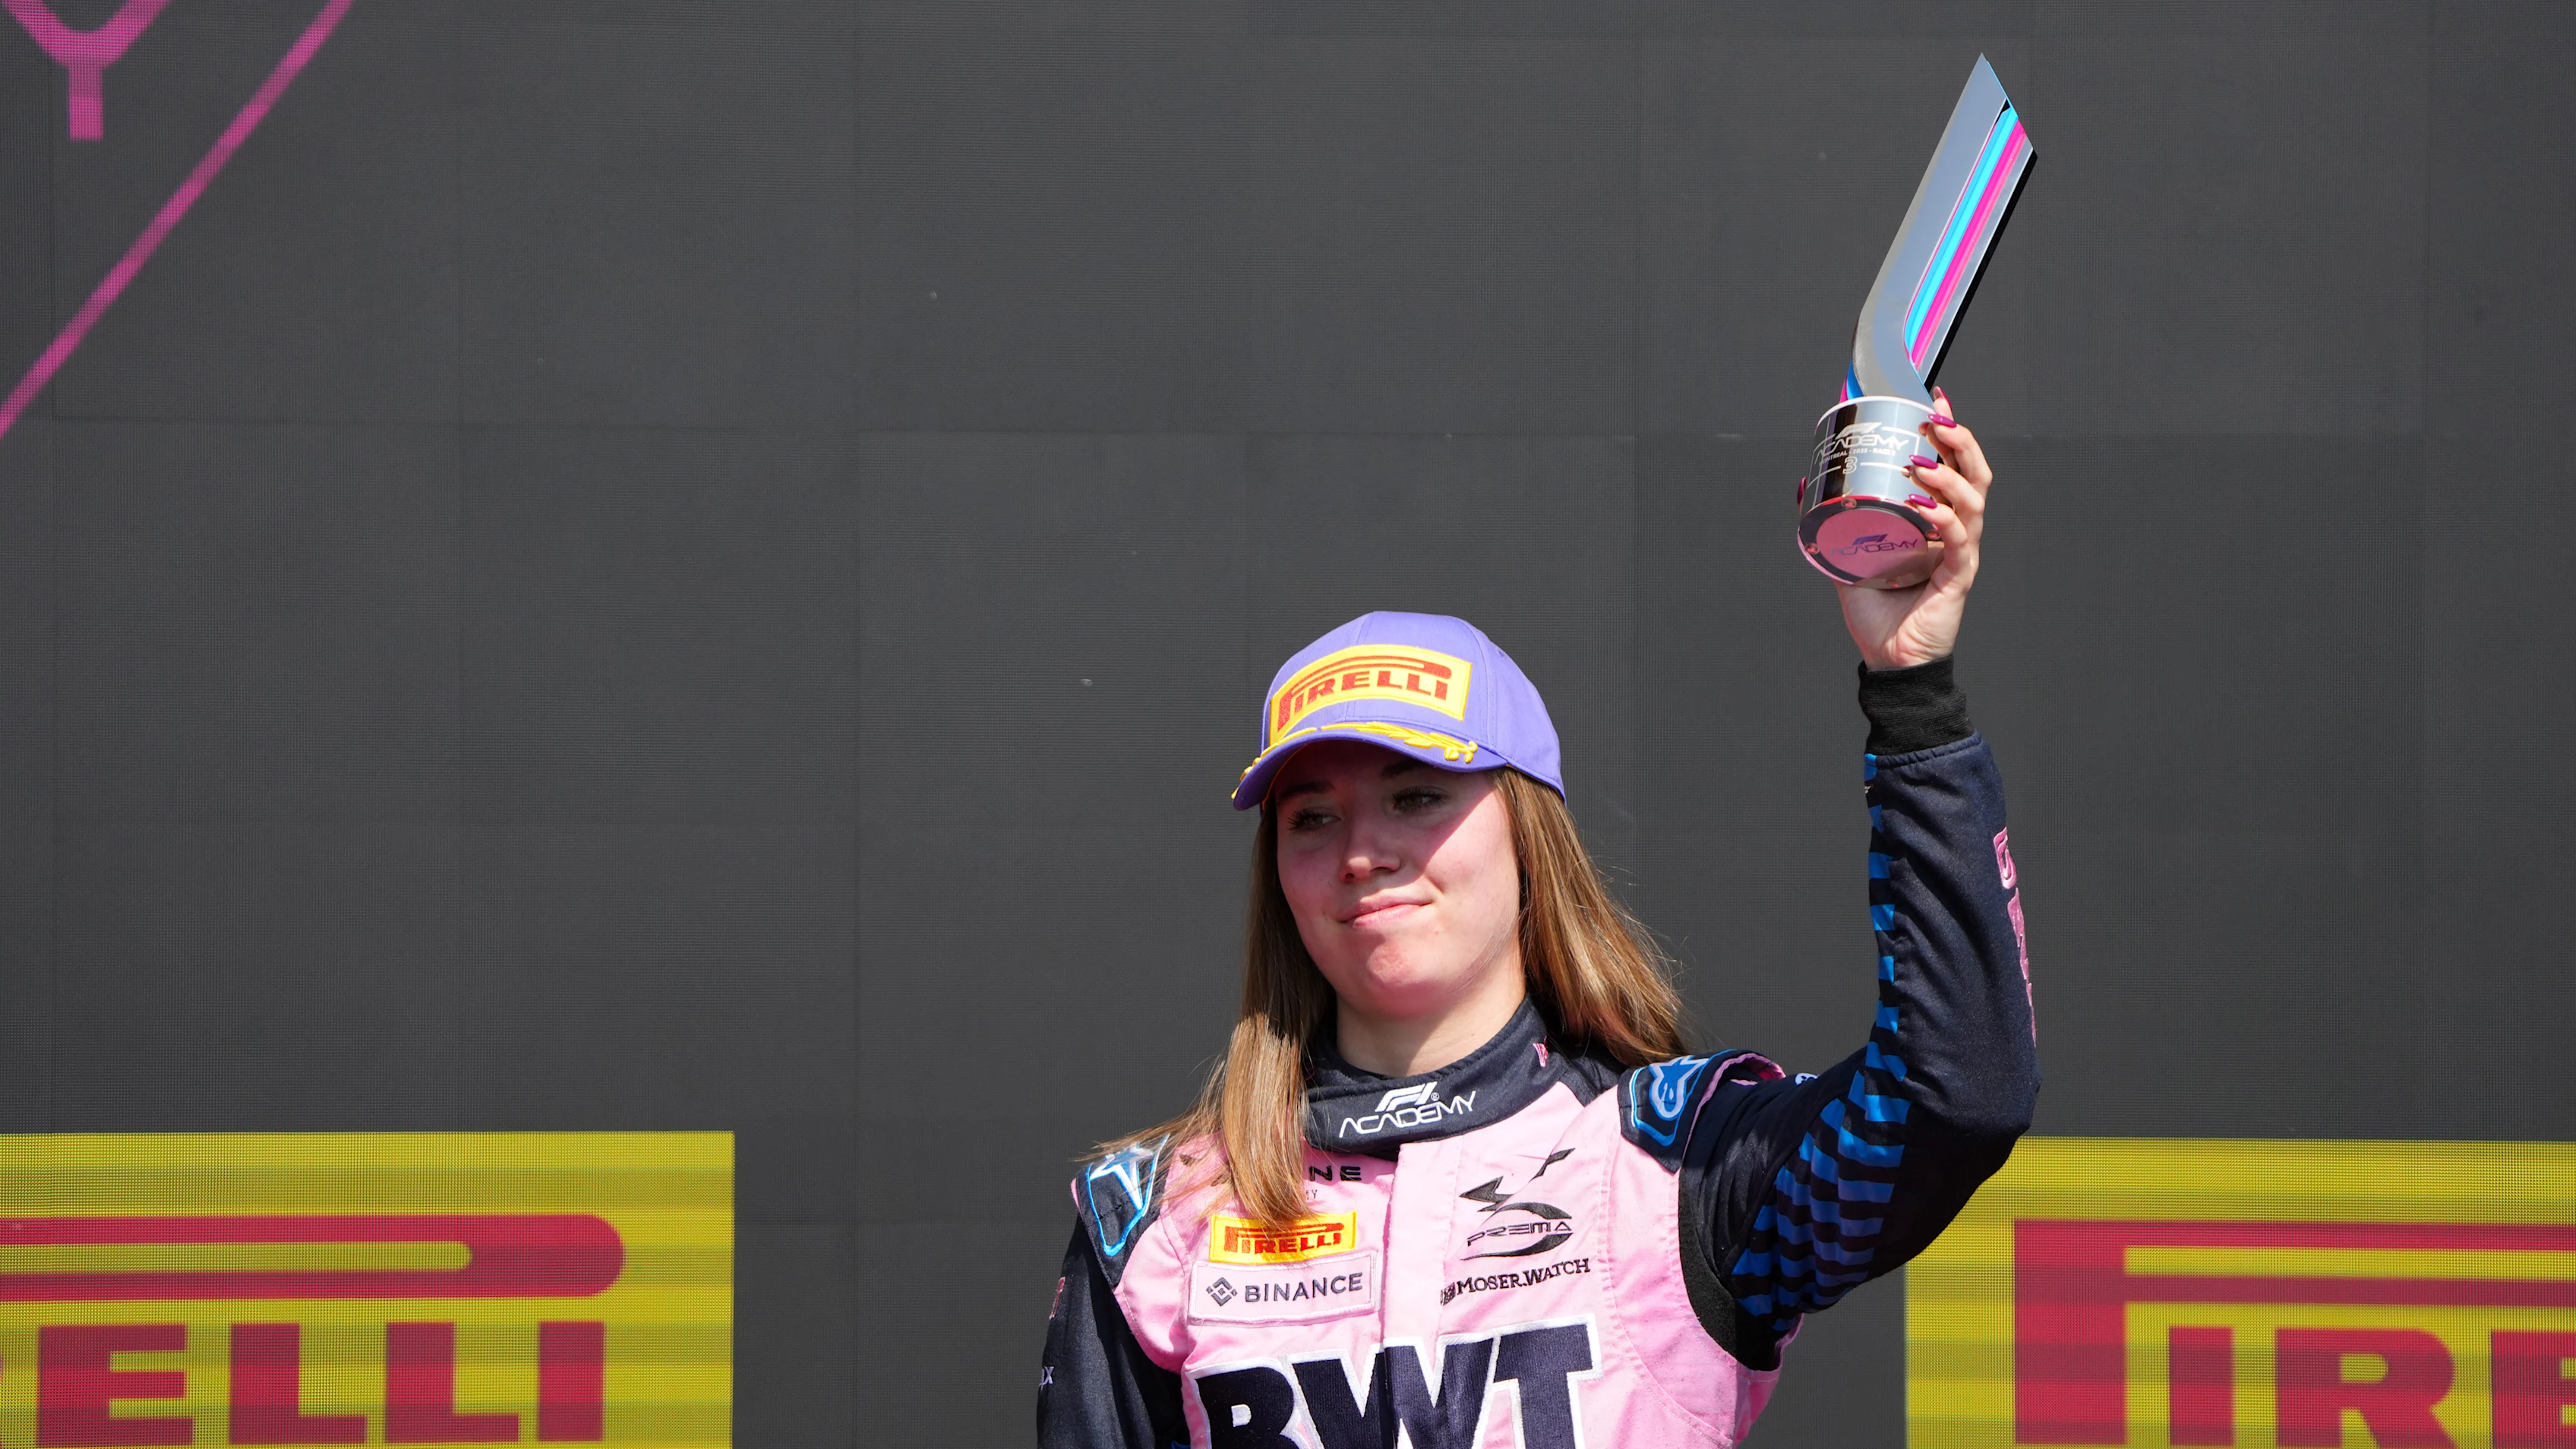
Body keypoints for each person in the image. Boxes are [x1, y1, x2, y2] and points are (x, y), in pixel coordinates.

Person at [1037, 390, 2038, 1449]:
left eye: (1416, 796)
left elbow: (1954, 1097)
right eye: (1312, 817)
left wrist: (1911, 687)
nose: (1362, 851)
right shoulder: (1165, 1215)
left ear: (1528, 837)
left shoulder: (1679, 1166)